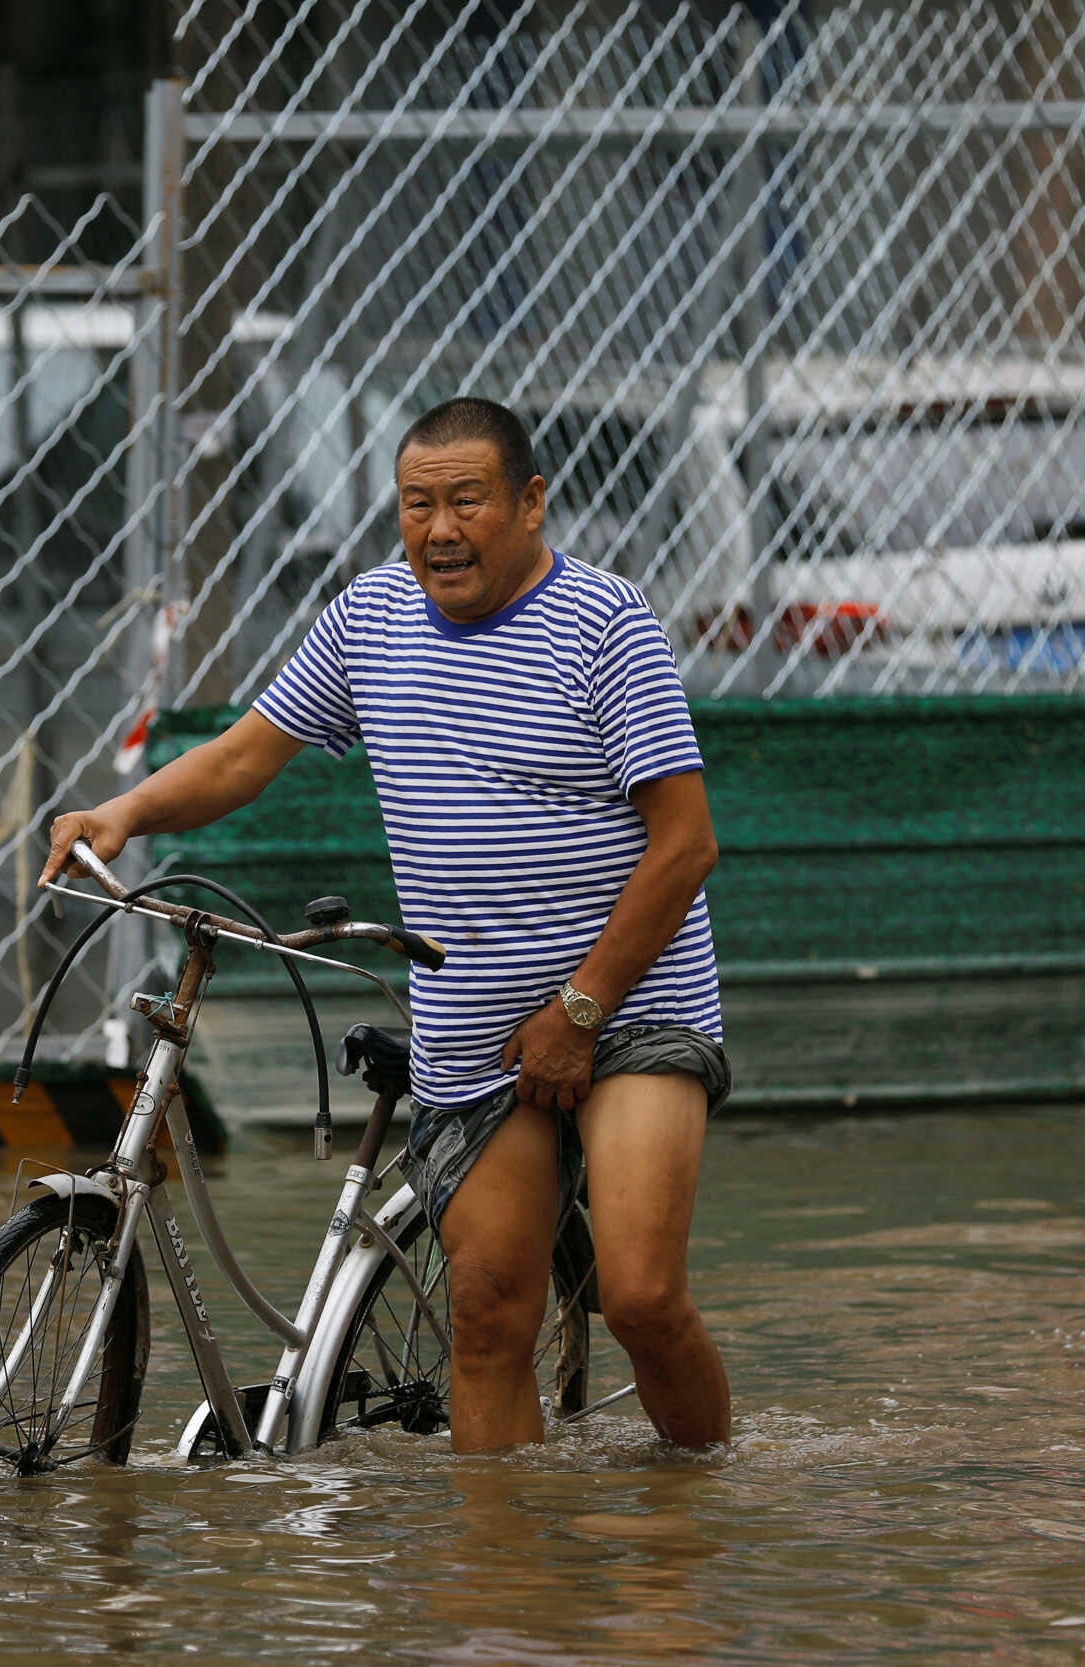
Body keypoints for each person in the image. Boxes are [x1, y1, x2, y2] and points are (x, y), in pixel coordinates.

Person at [40, 396, 730, 1451]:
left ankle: (699, 1515)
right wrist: (121, 813)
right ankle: (504, 1599)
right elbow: (243, 755)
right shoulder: (369, 619)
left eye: (466, 502)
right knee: (486, 1317)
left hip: (626, 1003)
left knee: (636, 1296)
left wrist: (580, 1010)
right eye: (417, 505)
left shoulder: (605, 624)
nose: (439, 530)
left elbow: (684, 845)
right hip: (472, 1023)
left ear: (531, 503)